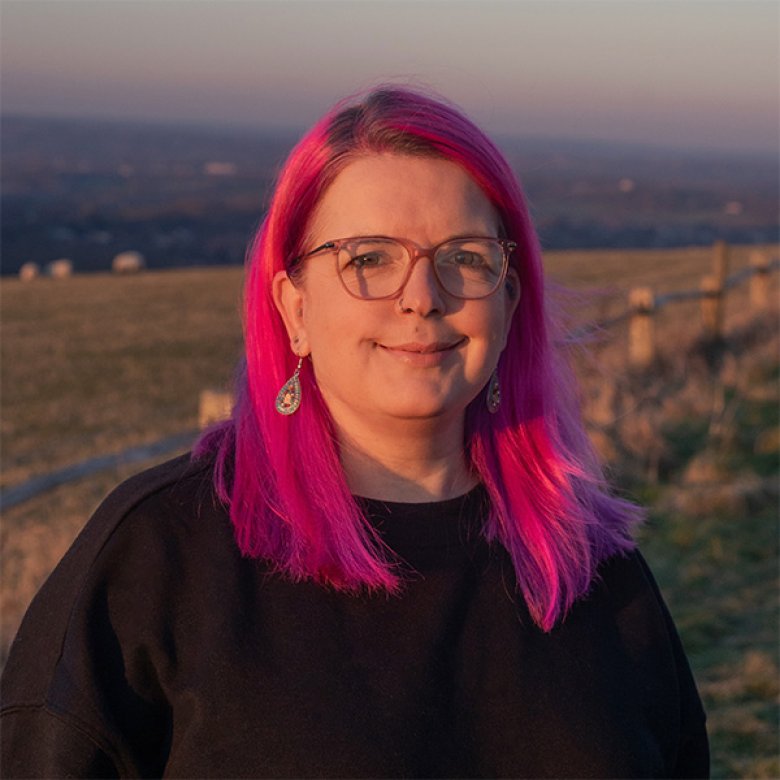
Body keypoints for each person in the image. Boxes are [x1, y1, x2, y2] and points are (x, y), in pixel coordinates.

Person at [0, 86, 709, 778]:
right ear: (295, 307)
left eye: (465, 257)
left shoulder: (594, 570)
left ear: (508, 300)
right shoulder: (156, 560)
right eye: (369, 258)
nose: (423, 299)